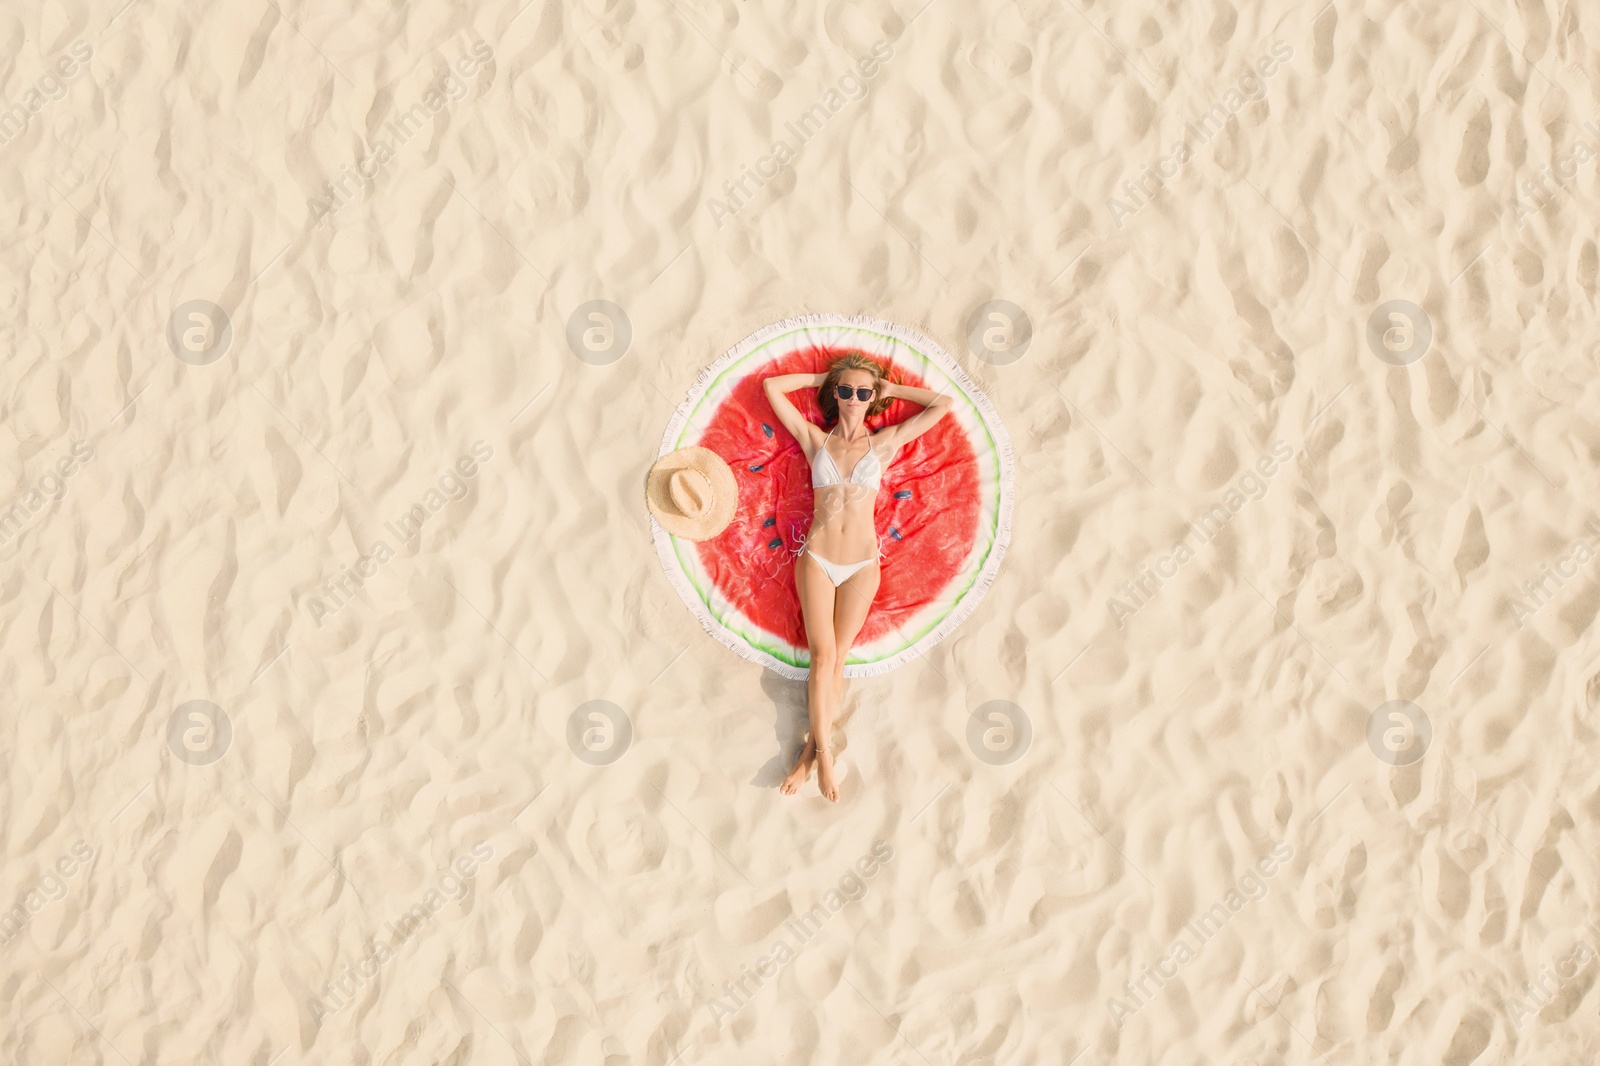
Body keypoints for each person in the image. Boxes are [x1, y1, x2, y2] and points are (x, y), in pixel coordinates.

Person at [762, 353, 952, 801]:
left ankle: (810, 752)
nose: (853, 398)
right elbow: (773, 388)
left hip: (864, 564)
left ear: (872, 399)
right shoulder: (815, 441)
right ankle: (825, 757)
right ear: (834, 395)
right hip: (819, 559)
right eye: (844, 390)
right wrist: (821, 378)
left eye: (863, 392)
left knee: (839, 657)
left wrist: (891, 389)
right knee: (822, 657)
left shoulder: (883, 444)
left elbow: (942, 405)